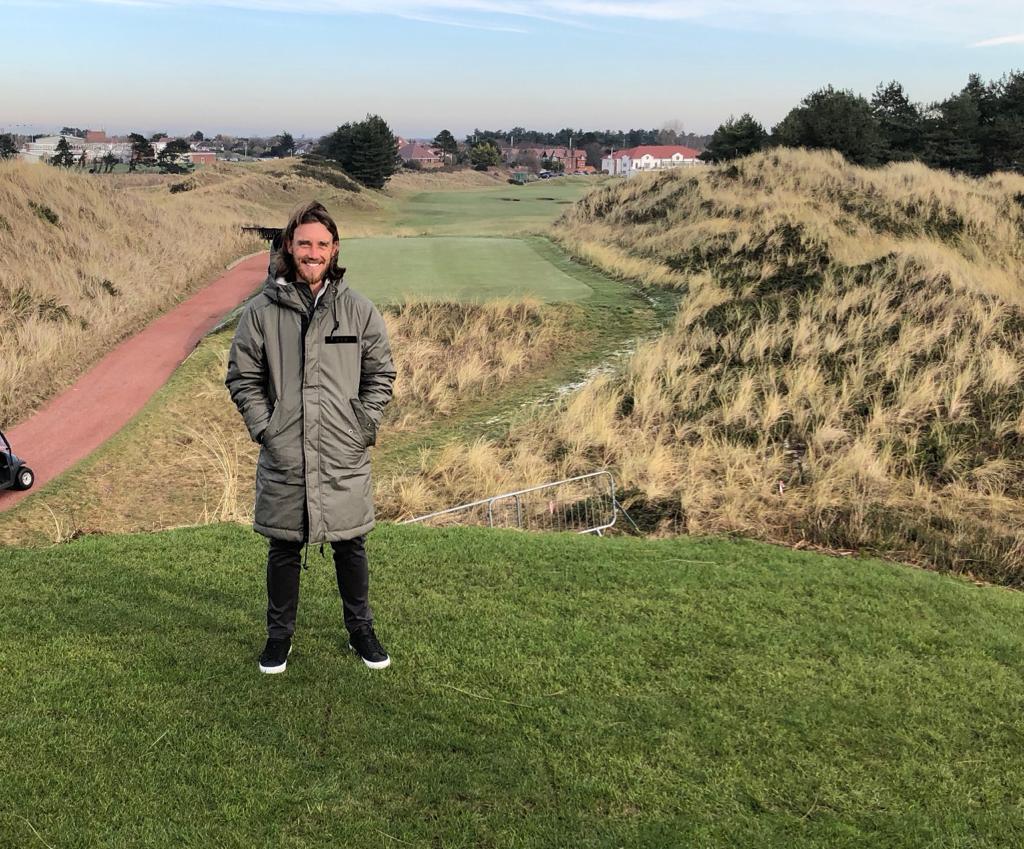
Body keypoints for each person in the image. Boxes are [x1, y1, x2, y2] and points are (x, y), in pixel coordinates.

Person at [226, 201, 396, 674]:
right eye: (305, 243)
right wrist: (267, 428)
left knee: (351, 544)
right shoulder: (260, 312)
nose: (313, 251)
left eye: (322, 243)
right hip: (286, 450)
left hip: (343, 451)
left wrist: (361, 424)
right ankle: (279, 637)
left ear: (335, 249)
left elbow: (381, 373)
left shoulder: (358, 310)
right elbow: (243, 377)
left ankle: (361, 630)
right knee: (283, 547)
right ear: (288, 246)